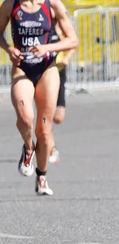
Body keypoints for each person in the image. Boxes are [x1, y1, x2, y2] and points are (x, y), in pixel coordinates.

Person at [0, 0, 78, 196]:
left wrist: (48, 48)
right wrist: (8, 48)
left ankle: (42, 177)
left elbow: (72, 40)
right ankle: (27, 148)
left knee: (44, 129)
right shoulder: (10, 5)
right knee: (25, 117)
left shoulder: (53, 5)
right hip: (22, 69)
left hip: (47, 69)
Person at [48, 22, 76, 164]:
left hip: (59, 73)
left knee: (58, 117)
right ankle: (51, 147)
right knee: (45, 115)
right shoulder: (38, 24)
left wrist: (66, 58)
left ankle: (46, 133)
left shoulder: (58, 25)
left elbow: (73, 43)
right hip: (43, 74)